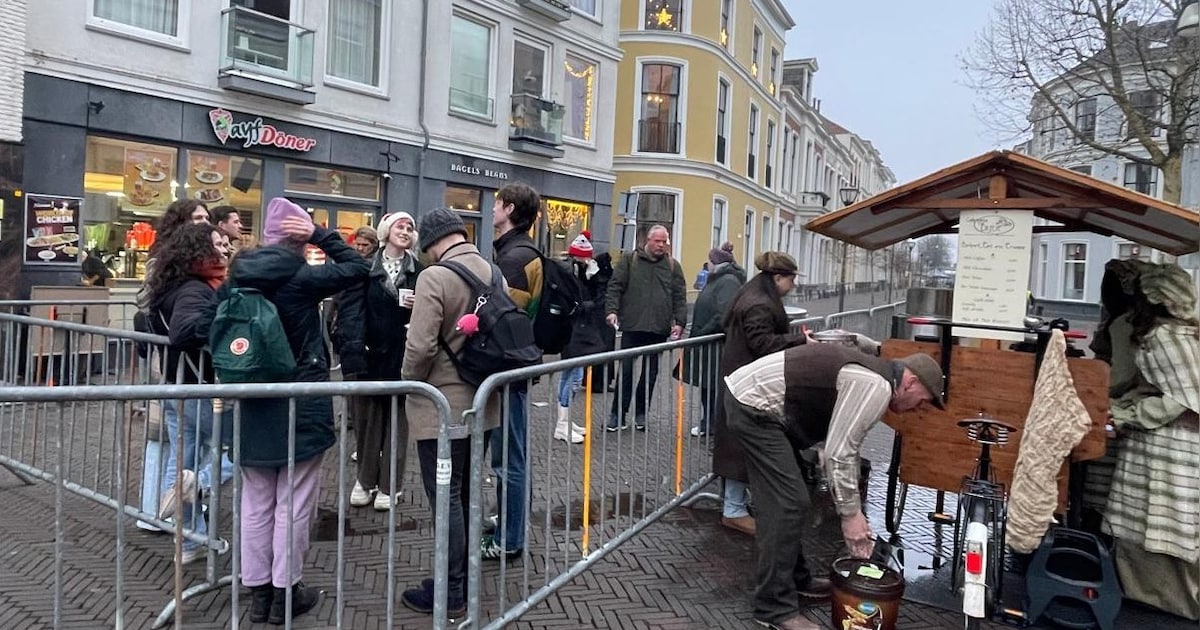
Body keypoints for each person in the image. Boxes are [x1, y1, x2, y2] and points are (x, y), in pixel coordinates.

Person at [725, 343, 944, 630]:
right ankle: (773, 608)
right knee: (788, 504)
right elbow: (840, 453)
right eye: (923, 400)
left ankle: (796, 580)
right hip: (754, 406)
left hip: (754, 401)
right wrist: (851, 515)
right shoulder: (876, 386)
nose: (918, 408)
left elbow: (845, 447)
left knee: (788, 500)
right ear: (911, 382)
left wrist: (850, 505)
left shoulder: (875, 375)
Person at [225, 197, 370, 624]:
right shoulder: (301, 276)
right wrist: (321, 234)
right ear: (297, 236)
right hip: (301, 398)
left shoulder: (238, 277)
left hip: (253, 400)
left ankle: (257, 594)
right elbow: (359, 268)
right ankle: (286, 590)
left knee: (255, 501)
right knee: (295, 500)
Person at [400, 207, 502, 618]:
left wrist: (408, 379)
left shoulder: (434, 277)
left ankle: (451, 590)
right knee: (464, 495)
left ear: (433, 241)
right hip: (484, 403)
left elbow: (420, 346)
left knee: (446, 500)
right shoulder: (494, 274)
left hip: (441, 407)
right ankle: (461, 581)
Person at [1100, 262, 1198, 620]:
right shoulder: (1188, 334)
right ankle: (1170, 599)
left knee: (1152, 521)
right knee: (1176, 525)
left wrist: (1128, 415)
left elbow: (1180, 398)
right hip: (1185, 449)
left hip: (1164, 448)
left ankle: (1157, 599)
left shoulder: (1163, 338)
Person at [143, 223, 235, 565]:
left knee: (180, 462)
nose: (224, 250)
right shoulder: (196, 289)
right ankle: (202, 485)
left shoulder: (173, 285)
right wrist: (223, 319)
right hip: (200, 391)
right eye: (216, 244)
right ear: (198, 251)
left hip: (177, 387)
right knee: (243, 450)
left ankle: (190, 541)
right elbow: (184, 331)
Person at [712, 252, 810, 537]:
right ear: (778, 278)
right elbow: (762, 343)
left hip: (744, 382)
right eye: (791, 279)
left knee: (739, 446)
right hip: (747, 387)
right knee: (739, 446)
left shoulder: (752, 295)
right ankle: (733, 510)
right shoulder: (759, 304)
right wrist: (800, 340)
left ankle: (736, 506)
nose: (793, 285)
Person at [335, 212, 423, 512]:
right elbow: (350, 314)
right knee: (367, 422)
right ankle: (365, 480)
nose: (406, 230)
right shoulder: (364, 269)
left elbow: (427, 316)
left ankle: (390, 485)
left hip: (401, 357)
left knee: (397, 423)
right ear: (386, 231)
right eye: (401, 225)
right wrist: (354, 353)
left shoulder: (419, 272)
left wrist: (417, 309)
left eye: (410, 227)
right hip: (370, 355)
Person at [481, 181, 543, 561]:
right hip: (516, 368)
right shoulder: (522, 252)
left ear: (508, 209)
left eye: (496, 204)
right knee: (512, 455)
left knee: (509, 459)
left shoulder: (514, 260)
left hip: (508, 371)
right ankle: (509, 521)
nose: (491, 210)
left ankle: (509, 537)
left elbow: (503, 320)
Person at [604, 225, 687, 431]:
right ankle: (618, 414)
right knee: (626, 372)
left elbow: (679, 296)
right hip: (633, 325)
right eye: (657, 241)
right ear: (647, 240)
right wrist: (612, 310)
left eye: (664, 241)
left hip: (658, 328)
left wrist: (680, 322)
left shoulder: (672, 266)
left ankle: (641, 414)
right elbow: (615, 287)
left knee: (650, 375)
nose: (661, 245)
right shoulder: (629, 261)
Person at [687, 242, 744, 437]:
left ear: (715, 263)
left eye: (709, 261)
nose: (707, 264)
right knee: (707, 385)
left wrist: (704, 332)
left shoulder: (727, 281)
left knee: (712, 386)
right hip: (708, 342)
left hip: (714, 343)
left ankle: (712, 423)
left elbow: (723, 313)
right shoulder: (719, 279)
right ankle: (709, 421)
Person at [554, 231, 606, 443]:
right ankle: (561, 423)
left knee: (571, 375)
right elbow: (580, 301)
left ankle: (564, 419)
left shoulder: (580, 272)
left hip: (576, 331)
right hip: (573, 332)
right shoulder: (570, 273)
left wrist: (594, 278)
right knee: (573, 377)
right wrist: (589, 302)